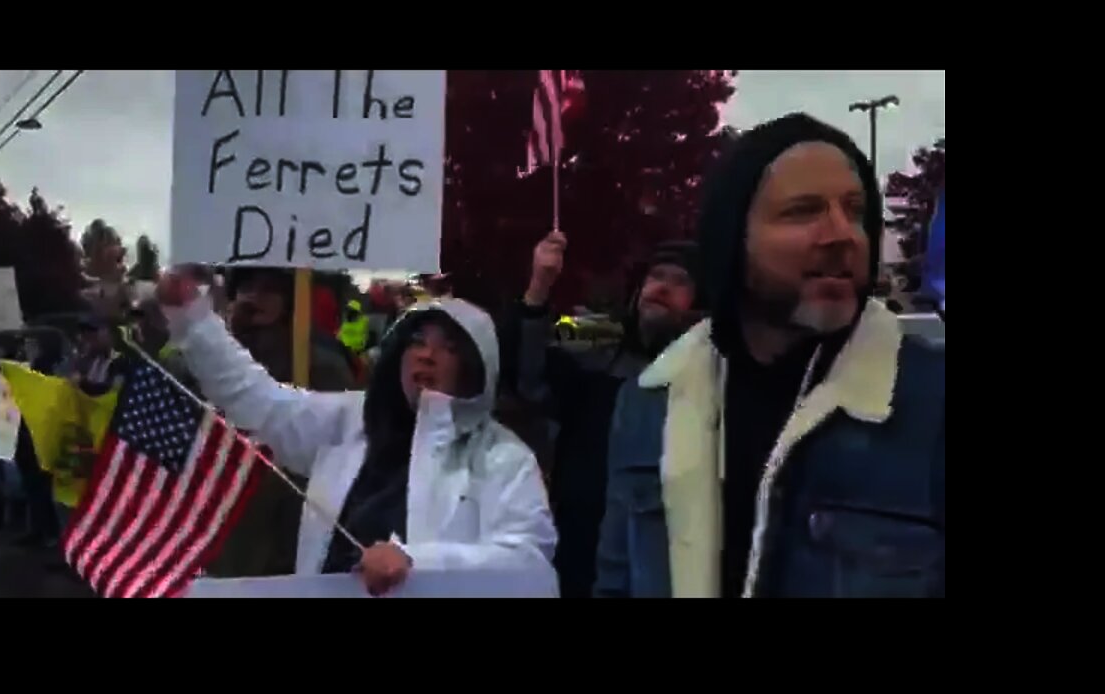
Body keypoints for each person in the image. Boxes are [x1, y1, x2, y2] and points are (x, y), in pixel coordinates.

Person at [604, 112, 944, 597]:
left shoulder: (931, 405)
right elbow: (616, 583)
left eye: (854, 210)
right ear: (733, 241)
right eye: (803, 211)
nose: (841, 233)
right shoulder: (649, 402)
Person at [156, 269, 556, 595]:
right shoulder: (351, 421)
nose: (426, 354)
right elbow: (259, 402)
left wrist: (416, 562)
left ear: (474, 368)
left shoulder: (503, 456)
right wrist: (192, 317)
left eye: (448, 347)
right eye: (416, 341)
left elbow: (528, 561)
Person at [503, 232, 699, 598]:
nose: (663, 288)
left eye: (680, 282)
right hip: (580, 559)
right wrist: (539, 287)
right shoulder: (599, 361)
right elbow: (527, 381)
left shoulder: (709, 382)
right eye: (657, 277)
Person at [200, 267, 357, 579]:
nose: (256, 298)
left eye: (269, 290)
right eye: (248, 288)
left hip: (289, 515)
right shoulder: (210, 358)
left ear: (288, 300)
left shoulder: (320, 362)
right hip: (223, 507)